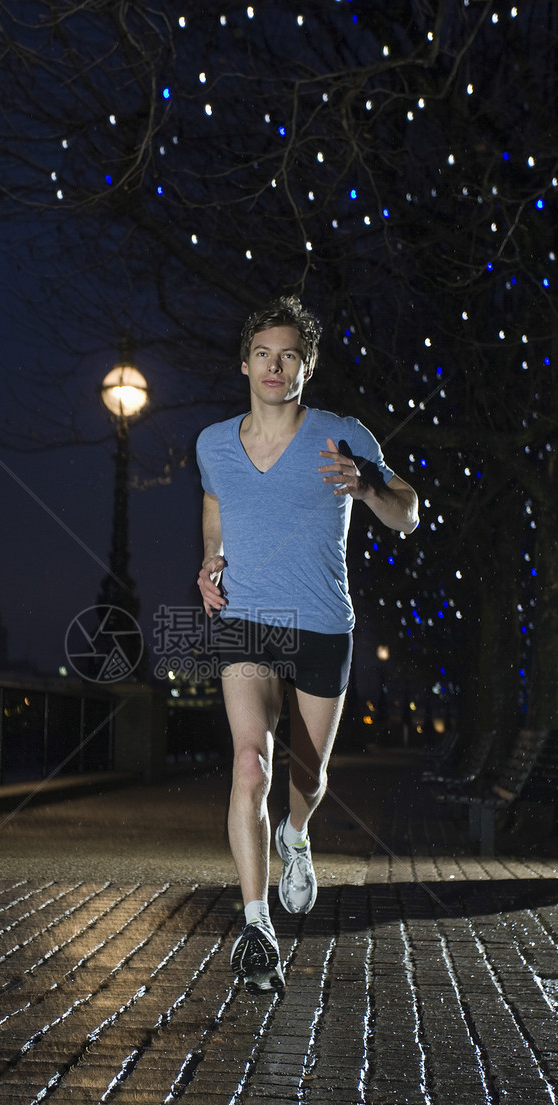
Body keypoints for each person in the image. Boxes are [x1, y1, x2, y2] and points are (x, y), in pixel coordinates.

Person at [196, 296, 419, 992]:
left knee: (310, 778)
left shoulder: (341, 435)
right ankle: (257, 922)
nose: (274, 364)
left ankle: (298, 838)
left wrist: (369, 487)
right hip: (247, 622)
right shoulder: (212, 444)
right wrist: (210, 560)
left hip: (323, 624)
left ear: (306, 367)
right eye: (263, 352)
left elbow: (408, 513)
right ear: (244, 363)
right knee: (249, 765)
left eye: (289, 354)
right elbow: (215, 503)